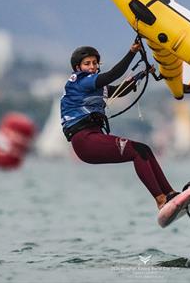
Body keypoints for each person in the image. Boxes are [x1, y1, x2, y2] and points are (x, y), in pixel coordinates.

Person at [61, 41, 181, 210]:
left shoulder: (94, 87)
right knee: (137, 152)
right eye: (87, 64)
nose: (92, 67)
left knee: (144, 149)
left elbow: (120, 90)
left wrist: (142, 74)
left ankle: (169, 193)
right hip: (84, 141)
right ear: (77, 67)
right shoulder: (80, 81)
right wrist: (132, 52)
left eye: (95, 63)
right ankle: (160, 200)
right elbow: (111, 75)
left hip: (93, 137)